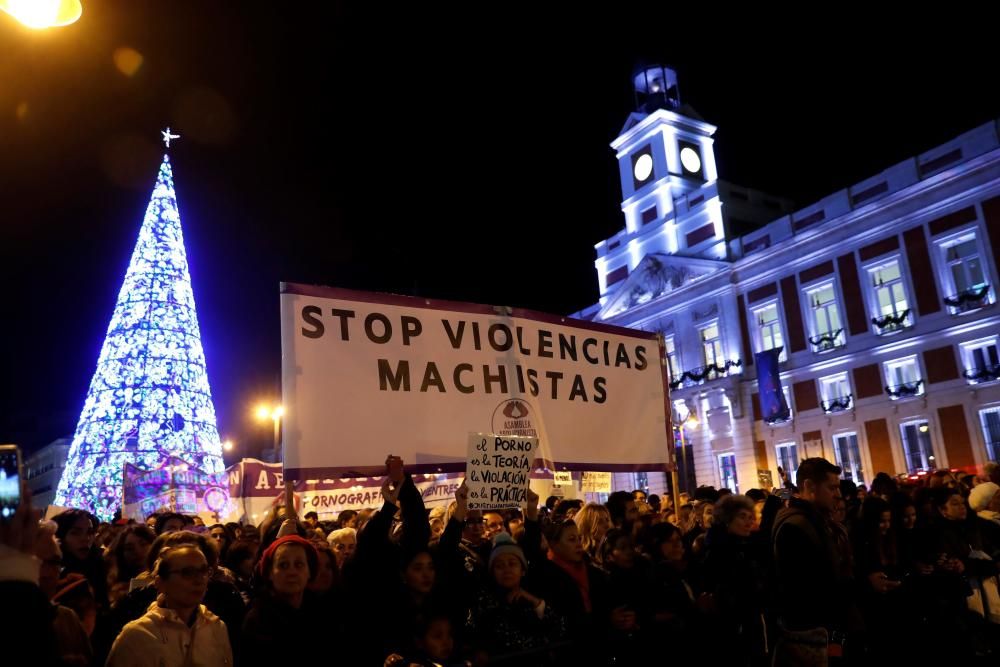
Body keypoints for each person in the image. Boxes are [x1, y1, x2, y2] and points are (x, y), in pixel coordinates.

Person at [771, 458, 854, 664]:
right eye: (832, 487)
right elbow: (807, 589)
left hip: (830, 629)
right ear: (809, 486)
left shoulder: (818, 521)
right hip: (815, 634)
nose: (838, 494)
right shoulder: (795, 527)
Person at [106, 544, 233, 666]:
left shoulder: (216, 627)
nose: (199, 579)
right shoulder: (137, 635)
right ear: (160, 583)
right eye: (187, 572)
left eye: (204, 571)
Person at [466, 532, 567, 665]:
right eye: (499, 566)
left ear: (522, 570)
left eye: (512, 564)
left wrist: (536, 603)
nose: (506, 570)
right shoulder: (485, 603)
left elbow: (560, 629)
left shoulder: (534, 595)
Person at [242, 535, 331, 665]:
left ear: (309, 572)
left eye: (299, 564)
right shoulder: (258, 620)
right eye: (283, 565)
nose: (292, 572)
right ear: (270, 573)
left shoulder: (322, 611)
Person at [700, 495, 768, 666]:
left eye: (750, 517)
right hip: (732, 631)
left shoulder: (746, 547)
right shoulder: (718, 552)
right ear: (727, 520)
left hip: (750, 625)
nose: (748, 522)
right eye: (742, 517)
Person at [52, 509, 109, 609]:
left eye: (90, 532)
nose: (85, 538)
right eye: (75, 533)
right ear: (61, 536)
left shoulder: (98, 565)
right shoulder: (51, 570)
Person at [105, 524, 155, 605]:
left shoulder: (166, 581)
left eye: (143, 544)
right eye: (129, 548)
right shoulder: (116, 589)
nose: (138, 551)